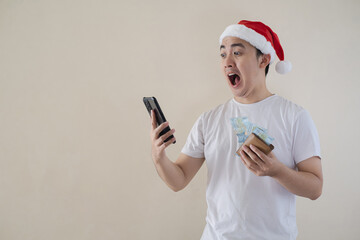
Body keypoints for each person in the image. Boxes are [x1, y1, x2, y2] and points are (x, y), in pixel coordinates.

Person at [149, 20, 323, 240]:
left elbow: (315, 188)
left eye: (237, 53)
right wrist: (159, 156)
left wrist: (277, 170)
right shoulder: (209, 120)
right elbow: (179, 179)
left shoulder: (294, 116)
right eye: (223, 55)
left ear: (264, 59)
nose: (227, 62)